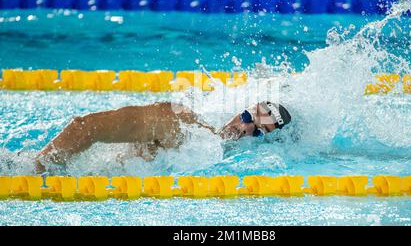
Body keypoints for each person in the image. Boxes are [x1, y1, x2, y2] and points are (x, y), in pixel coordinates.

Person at [34, 101, 291, 173]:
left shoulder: (224, 158)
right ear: (240, 110)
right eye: (247, 118)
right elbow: (84, 126)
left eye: (257, 131)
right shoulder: (178, 122)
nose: (245, 129)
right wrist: (35, 168)